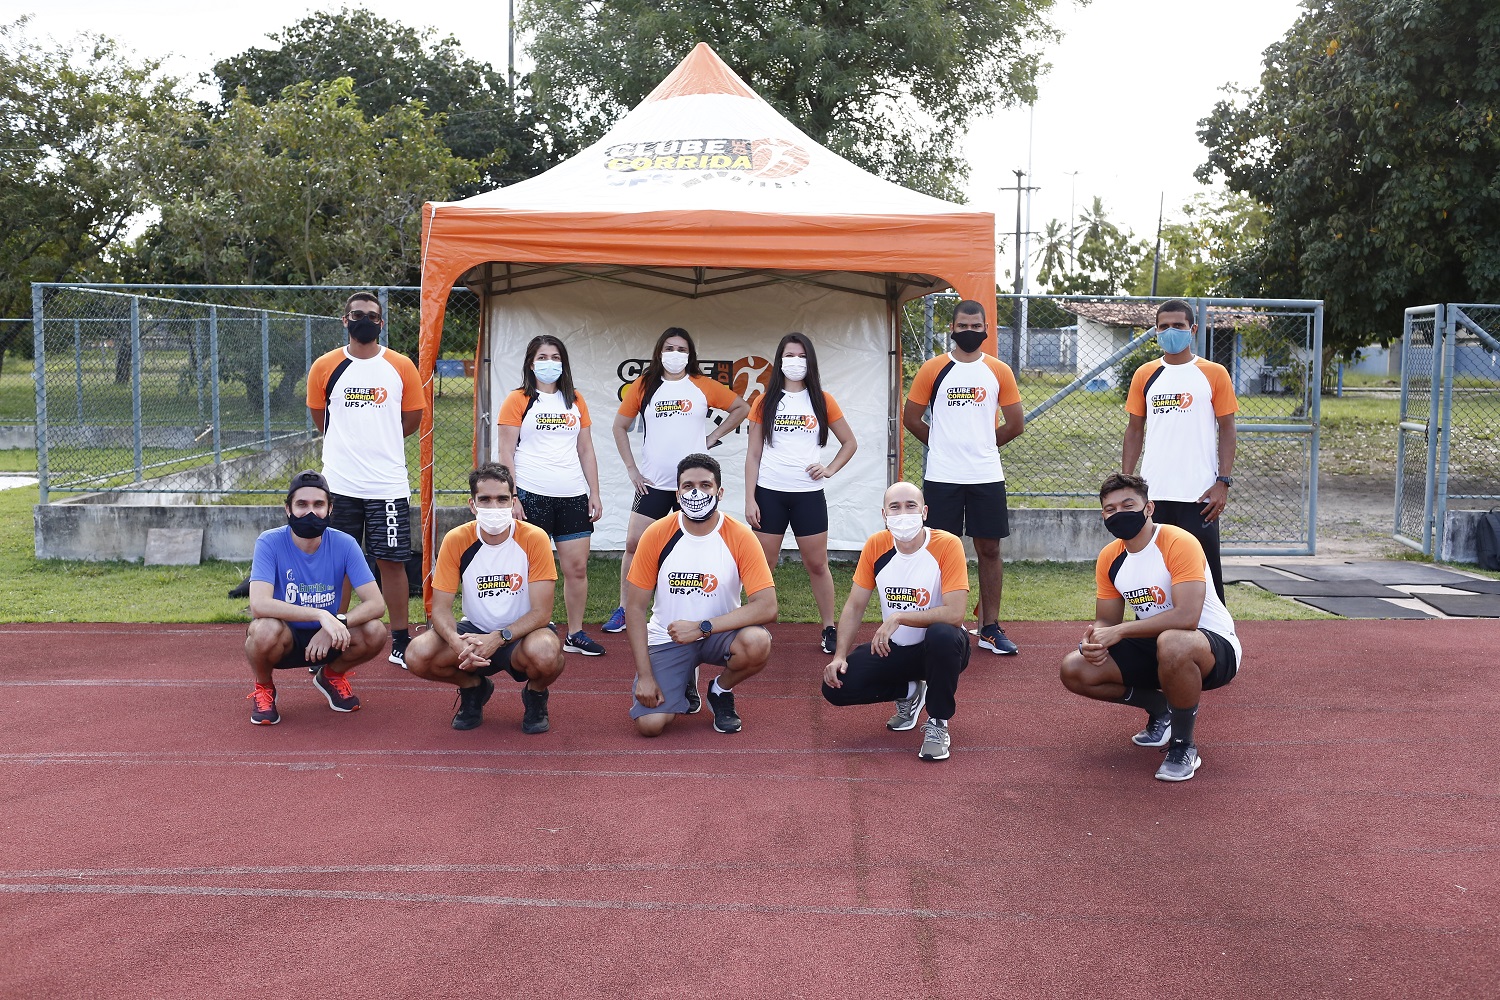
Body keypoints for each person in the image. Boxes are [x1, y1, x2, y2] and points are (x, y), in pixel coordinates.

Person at [1059, 473, 1242, 782]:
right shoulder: (1109, 557)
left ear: (1149, 508)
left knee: (1173, 642)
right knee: (1074, 668)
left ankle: (1183, 746)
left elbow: (1187, 618)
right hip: (1156, 644)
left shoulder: (1177, 542)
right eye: (1110, 509)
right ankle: (1161, 710)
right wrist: (1095, 640)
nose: (1119, 514)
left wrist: (1119, 632)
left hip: (1212, 647)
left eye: (1128, 505)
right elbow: (1107, 620)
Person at [305, 291, 424, 667]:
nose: (365, 321)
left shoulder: (401, 365)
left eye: (373, 316)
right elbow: (319, 417)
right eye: (357, 314)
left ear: (381, 323)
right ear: (345, 320)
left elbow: (411, 420)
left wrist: (380, 440)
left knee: (392, 562)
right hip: (339, 485)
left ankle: (401, 640)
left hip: (387, 484)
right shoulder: (325, 365)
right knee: (336, 564)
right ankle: (331, 634)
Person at [606, 327, 750, 634]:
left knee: (696, 546)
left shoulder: (702, 385)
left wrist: (711, 437)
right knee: (634, 544)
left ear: (690, 354)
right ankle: (624, 608)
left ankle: (701, 611)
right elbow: (620, 426)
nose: (675, 354)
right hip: (654, 483)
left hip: (693, 486)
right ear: (659, 352)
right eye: (670, 348)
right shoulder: (645, 385)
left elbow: (742, 407)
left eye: (682, 349)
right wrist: (632, 470)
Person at [403, 463, 565, 733]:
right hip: (474, 631)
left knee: (547, 652)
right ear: (472, 504)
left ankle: (535, 695)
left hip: (523, 633)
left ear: (514, 502)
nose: (494, 507)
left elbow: (542, 613)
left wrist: (500, 637)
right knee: (417, 654)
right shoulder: (456, 539)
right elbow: (440, 609)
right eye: (485, 500)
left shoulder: (534, 538)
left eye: (502, 499)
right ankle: (474, 689)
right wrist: (457, 643)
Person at [902, 299, 1025, 656]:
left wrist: (985, 446)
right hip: (942, 475)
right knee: (940, 551)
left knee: (989, 548)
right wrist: (941, 445)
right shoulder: (933, 369)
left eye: (976, 327)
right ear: (951, 329)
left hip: (986, 474)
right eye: (962, 327)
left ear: (986, 330)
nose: (969, 332)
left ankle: (989, 628)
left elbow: (1015, 424)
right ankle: (938, 624)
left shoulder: (999, 370)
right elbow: (912, 418)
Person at [624, 453, 776, 737]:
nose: (696, 492)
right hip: (669, 637)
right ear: (677, 492)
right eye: (688, 485)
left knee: (757, 641)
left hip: (717, 634)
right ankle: (682, 680)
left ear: (720, 492)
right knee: (650, 726)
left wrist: (702, 628)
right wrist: (645, 676)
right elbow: (634, 609)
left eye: (705, 485)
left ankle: (720, 690)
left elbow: (767, 606)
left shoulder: (741, 535)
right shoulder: (656, 533)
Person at [821, 482, 972, 761]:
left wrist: (900, 617)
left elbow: (955, 613)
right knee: (835, 686)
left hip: (942, 650)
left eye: (910, 506)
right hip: (895, 650)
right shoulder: (876, 545)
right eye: (895, 507)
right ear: (884, 515)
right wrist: (839, 656)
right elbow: (855, 606)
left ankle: (938, 723)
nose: (903, 513)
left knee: (943, 634)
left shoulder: (947, 544)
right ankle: (911, 691)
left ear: (924, 511)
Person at [243, 470, 389, 726]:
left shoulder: (345, 543)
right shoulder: (269, 542)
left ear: (330, 508)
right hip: (285, 636)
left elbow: (376, 604)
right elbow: (259, 604)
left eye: (318, 504)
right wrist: (321, 615)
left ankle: (331, 675)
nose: (310, 512)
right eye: (302, 504)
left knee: (374, 631)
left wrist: (338, 622)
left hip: (330, 639)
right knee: (263, 629)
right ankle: (264, 688)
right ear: (288, 508)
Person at [744, 332, 857, 655]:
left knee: (817, 564)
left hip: (808, 494)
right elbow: (753, 455)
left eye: (801, 356)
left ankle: (828, 628)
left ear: (811, 361)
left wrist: (830, 469)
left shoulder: (822, 399)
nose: (795, 362)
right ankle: (756, 622)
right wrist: (750, 498)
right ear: (780, 360)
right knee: (763, 564)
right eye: (789, 356)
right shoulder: (764, 401)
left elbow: (849, 443)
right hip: (769, 493)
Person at [1122, 299, 1238, 603]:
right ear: (1156, 331)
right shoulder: (1145, 374)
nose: (1170, 331)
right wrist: (1126, 482)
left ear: (1193, 329)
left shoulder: (1214, 373)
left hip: (1199, 496)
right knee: (1154, 579)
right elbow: (1135, 430)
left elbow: (1227, 429)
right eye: (1164, 327)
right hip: (1154, 494)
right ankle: (1152, 643)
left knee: (1204, 580)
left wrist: (1222, 482)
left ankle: (1216, 641)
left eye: (1178, 326)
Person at [497, 335, 606, 657]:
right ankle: (530, 629)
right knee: (530, 569)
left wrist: (594, 492)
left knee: (576, 568)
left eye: (555, 356)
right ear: (531, 363)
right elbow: (505, 451)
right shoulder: (518, 399)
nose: (549, 363)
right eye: (542, 357)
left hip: (572, 495)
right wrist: (511, 496)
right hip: (532, 494)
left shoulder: (575, 400)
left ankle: (574, 633)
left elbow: (585, 448)